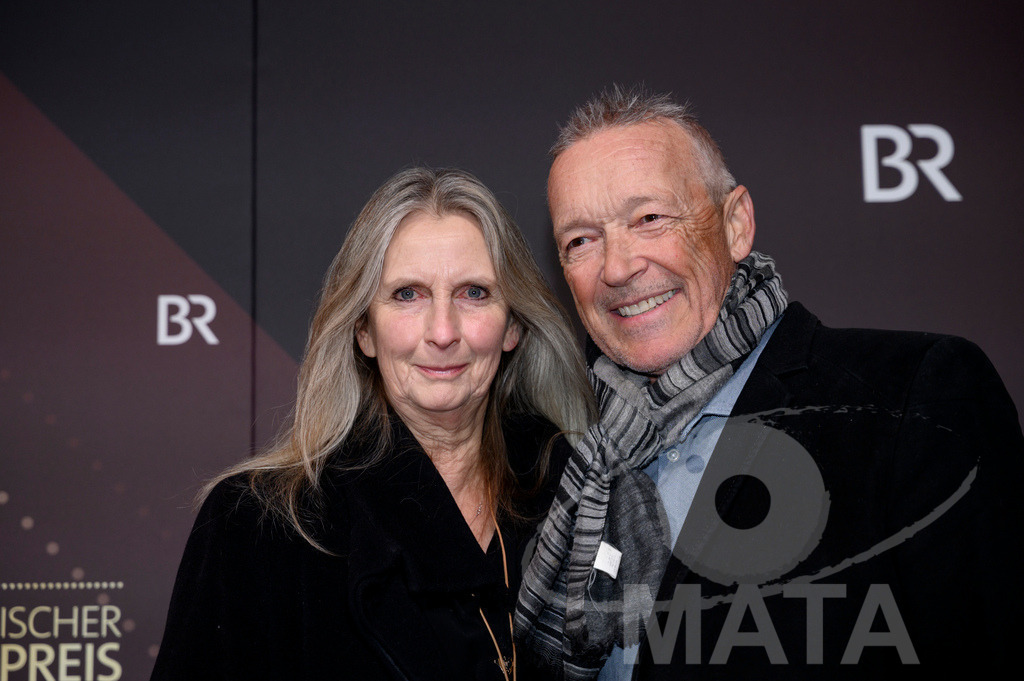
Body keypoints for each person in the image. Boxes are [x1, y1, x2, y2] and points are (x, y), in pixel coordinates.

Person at [515, 86, 1022, 679]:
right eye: (581, 241)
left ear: (736, 224)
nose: (618, 267)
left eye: (650, 219)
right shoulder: (554, 456)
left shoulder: (913, 397)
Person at [151, 167, 595, 681]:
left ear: (513, 325)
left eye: (474, 293)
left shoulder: (582, 495)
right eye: (408, 294)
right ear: (363, 329)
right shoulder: (256, 526)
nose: (443, 331)